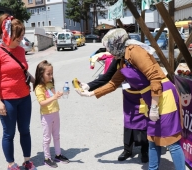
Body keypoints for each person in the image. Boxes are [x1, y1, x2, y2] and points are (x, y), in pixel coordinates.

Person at [75, 28, 185, 170]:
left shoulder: (135, 51)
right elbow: (113, 83)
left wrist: (154, 106)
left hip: (163, 96)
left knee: (171, 141)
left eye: (110, 48)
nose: (109, 52)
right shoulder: (123, 60)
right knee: (153, 139)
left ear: (117, 44)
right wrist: (89, 93)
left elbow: (154, 78)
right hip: (150, 98)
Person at [0, 14, 36, 170]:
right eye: (18, 36)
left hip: (24, 97)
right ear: (7, 34)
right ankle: (11, 164)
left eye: (22, 36)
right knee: (9, 133)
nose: (21, 39)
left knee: (25, 130)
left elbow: (23, 71)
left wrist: (36, 81)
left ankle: (27, 160)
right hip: (7, 100)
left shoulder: (21, 50)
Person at [80, 57, 149, 163]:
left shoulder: (138, 58)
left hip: (141, 96)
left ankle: (144, 150)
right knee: (128, 121)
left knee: (143, 123)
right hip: (128, 97)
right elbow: (107, 78)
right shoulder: (118, 60)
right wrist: (89, 86)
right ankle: (127, 150)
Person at [33, 60, 70, 168]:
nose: (51, 76)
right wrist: (54, 97)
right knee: (47, 138)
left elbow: (54, 95)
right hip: (46, 115)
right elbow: (42, 103)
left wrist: (61, 93)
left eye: (51, 73)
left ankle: (58, 155)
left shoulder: (50, 84)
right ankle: (47, 158)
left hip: (55, 112)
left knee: (57, 136)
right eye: (48, 74)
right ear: (41, 75)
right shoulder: (38, 88)